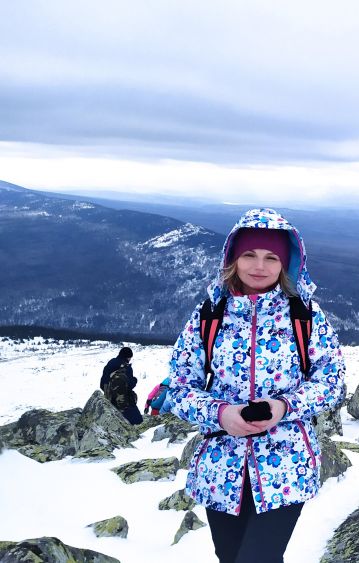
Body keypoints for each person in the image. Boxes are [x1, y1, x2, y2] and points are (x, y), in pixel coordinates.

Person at [167, 208, 346, 563]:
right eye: (249, 254)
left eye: (271, 257)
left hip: (287, 465)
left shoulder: (304, 316)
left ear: (286, 263)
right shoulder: (209, 315)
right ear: (233, 258)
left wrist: (283, 407)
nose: (259, 266)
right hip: (221, 468)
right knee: (232, 558)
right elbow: (178, 387)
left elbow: (332, 381)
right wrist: (221, 414)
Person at [101, 346, 142, 425]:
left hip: (108, 398)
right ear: (128, 357)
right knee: (138, 422)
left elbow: (102, 383)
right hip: (124, 402)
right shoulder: (126, 367)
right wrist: (135, 380)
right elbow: (130, 385)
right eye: (130, 357)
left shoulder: (110, 363)